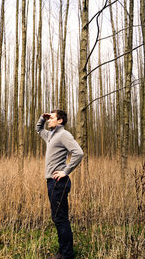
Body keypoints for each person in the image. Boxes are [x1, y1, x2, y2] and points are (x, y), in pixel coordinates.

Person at [36, 110, 84, 259]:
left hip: (59, 182)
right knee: (58, 218)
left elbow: (78, 153)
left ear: (60, 121)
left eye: (52, 118)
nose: (49, 120)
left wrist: (66, 171)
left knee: (61, 218)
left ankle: (66, 255)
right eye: (49, 118)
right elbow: (38, 129)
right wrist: (42, 119)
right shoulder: (51, 135)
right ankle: (63, 253)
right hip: (52, 182)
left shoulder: (64, 135)